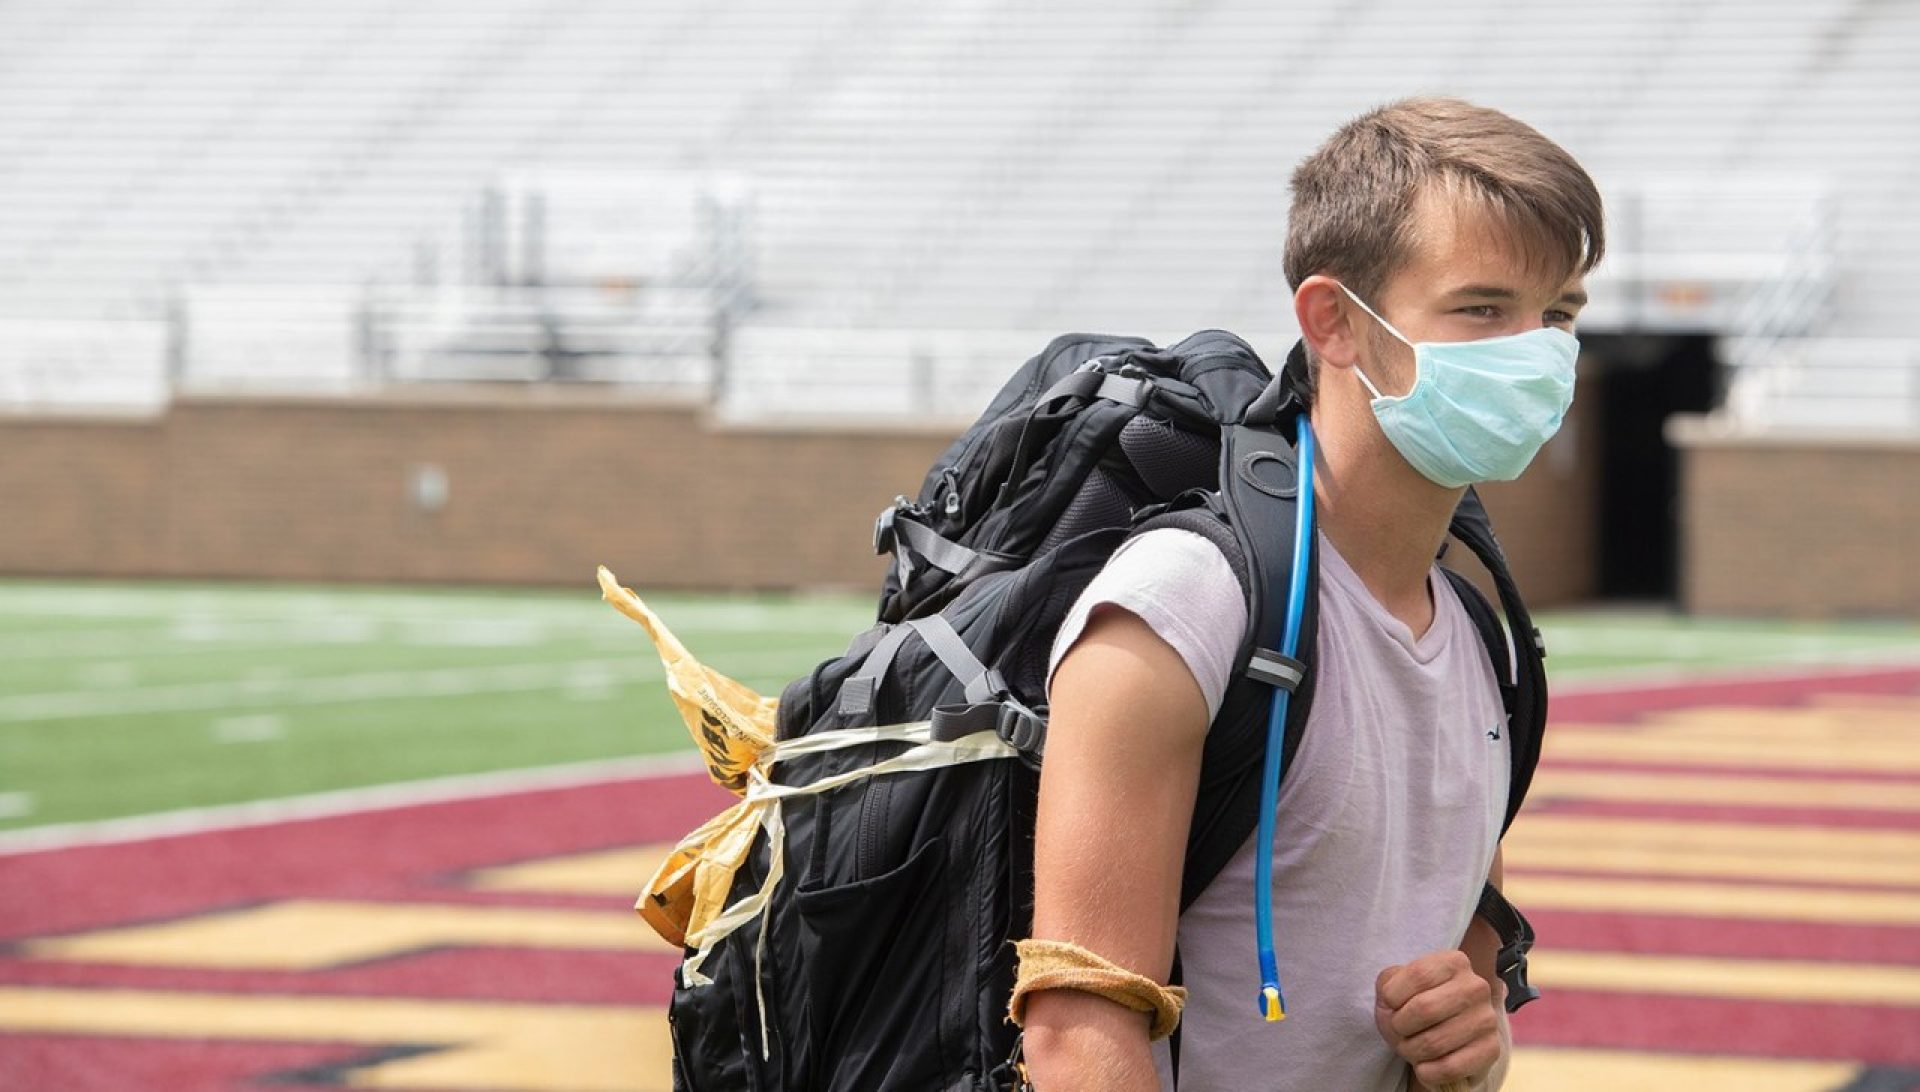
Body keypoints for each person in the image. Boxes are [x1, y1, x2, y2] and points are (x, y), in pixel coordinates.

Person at [1016, 96, 1604, 1092]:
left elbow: (1469, 974)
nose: (1535, 351)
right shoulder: (1184, 605)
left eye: (1559, 315)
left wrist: (1471, 1040)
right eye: (1483, 307)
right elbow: (1078, 1035)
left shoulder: (1477, 630)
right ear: (1333, 321)